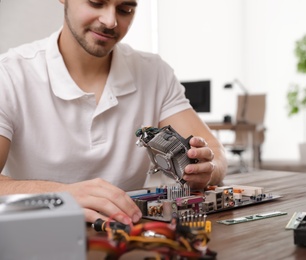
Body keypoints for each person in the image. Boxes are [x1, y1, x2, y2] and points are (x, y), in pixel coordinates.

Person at [0, 0, 227, 225]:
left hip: (133, 238)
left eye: (125, 9)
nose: (110, 21)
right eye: (96, 2)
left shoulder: (155, 73)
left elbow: (215, 153)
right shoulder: (10, 74)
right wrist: (60, 195)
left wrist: (207, 169)